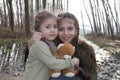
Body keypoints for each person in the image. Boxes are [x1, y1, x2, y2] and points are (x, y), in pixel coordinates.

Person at [28, 12, 98, 80]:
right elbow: (31, 64)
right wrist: (30, 43)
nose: (66, 33)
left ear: (76, 30)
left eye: (70, 28)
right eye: (61, 29)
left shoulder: (85, 49)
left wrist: (76, 69)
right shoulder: (50, 45)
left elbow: (92, 76)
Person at [23, 11, 79, 80]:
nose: (53, 30)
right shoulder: (39, 45)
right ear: (38, 29)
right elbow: (53, 64)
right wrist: (72, 62)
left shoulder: (50, 43)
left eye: (55, 26)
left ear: (76, 30)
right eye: (47, 27)